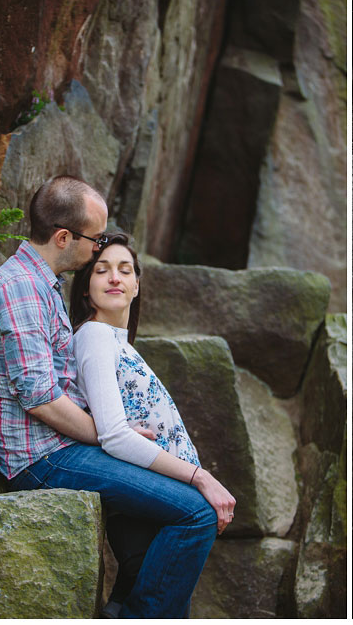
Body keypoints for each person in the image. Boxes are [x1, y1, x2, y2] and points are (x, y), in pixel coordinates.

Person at [0, 174, 223, 619]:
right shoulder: (19, 290)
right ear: (64, 237)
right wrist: (113, 432)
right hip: (42, 459)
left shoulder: (41, 287)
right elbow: (40, 400)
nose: (98, 250)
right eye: (95, 240)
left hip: (65, 448)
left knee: (154, 541)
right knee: (196, 514)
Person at [69, 232, 235, 617]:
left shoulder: (118, 342)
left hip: (153, 503)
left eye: (125, 270)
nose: (115, 278)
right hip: (142, 500)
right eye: (102, 270)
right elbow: (112, 435)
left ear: (137, 285)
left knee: (129, 602)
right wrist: (199, 477)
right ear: (84, 289)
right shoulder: (94, 335)